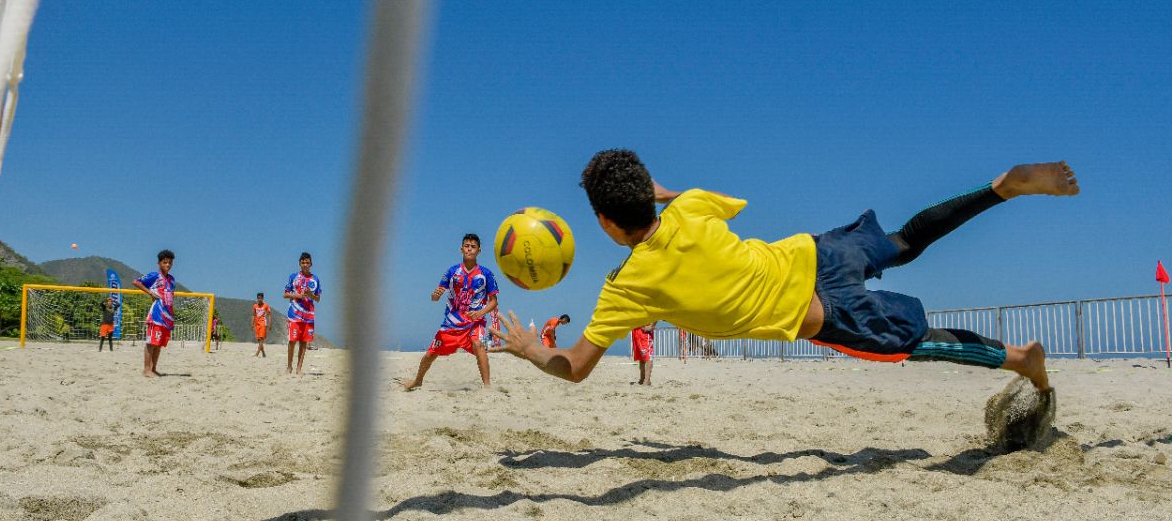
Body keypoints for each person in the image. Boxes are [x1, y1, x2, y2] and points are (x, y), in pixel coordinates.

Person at [492, 149, 1078, 396]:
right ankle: (1000, 189)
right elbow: (669, 195)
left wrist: (526, 348)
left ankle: (1021, 358)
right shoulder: (692, 204)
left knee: (916, 345)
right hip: (815, 253)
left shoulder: (627, 287)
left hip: (821, 315)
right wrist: (655, 190)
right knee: (904, 240)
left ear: (602, 223)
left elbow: (574, 368)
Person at [400, 233, 499, 391]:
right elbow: (434, 297)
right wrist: (435, 295)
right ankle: (417, 380)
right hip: (451, 324)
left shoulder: (486, 274)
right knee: (430, 354)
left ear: (479, 251)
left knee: (478, 344)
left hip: (475, 323)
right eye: (467, 246)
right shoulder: (452, 272)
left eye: (473, 247)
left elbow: (494, 302)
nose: (469, 249)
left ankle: (487, 387)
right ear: (461, 249)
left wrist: (480, 312)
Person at [133, 249, 176, 378]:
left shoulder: (172, 280)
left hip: (167, 315)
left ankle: (153, 368)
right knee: (151, 342)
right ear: (159, 263)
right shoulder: (155, 275)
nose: (167, 265)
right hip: (156, 314)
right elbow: (136, 282)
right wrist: (150, 293)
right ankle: (146, 369)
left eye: (170, 263)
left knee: (159, 344)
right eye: (165, 262)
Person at [284, 252, 321, 375]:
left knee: (304, 342)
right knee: (292, 341)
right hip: (294, 314)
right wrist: (298, 295)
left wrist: (310, 294)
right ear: (300, 263)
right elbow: (285, 294)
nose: (305, 264)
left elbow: (318, 299)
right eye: (303, 262)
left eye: (307, 262)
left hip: (308, 315)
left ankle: (299, 368)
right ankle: (289, 367)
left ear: (311, 264)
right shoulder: (293, 276)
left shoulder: (315, 279)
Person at [251, 292, 270, 357]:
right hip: (257, 324)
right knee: (259, 340)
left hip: (263, 323)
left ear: (263, 298)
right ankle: (263, 353)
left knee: (262, 338)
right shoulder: (255, 306)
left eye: (260, 298)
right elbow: (253, 315)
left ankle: (257, 353)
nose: (259, 299)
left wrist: (270, 324)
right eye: (258, 298)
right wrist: (252, 324)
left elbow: (269, 315)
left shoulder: (266, 306)